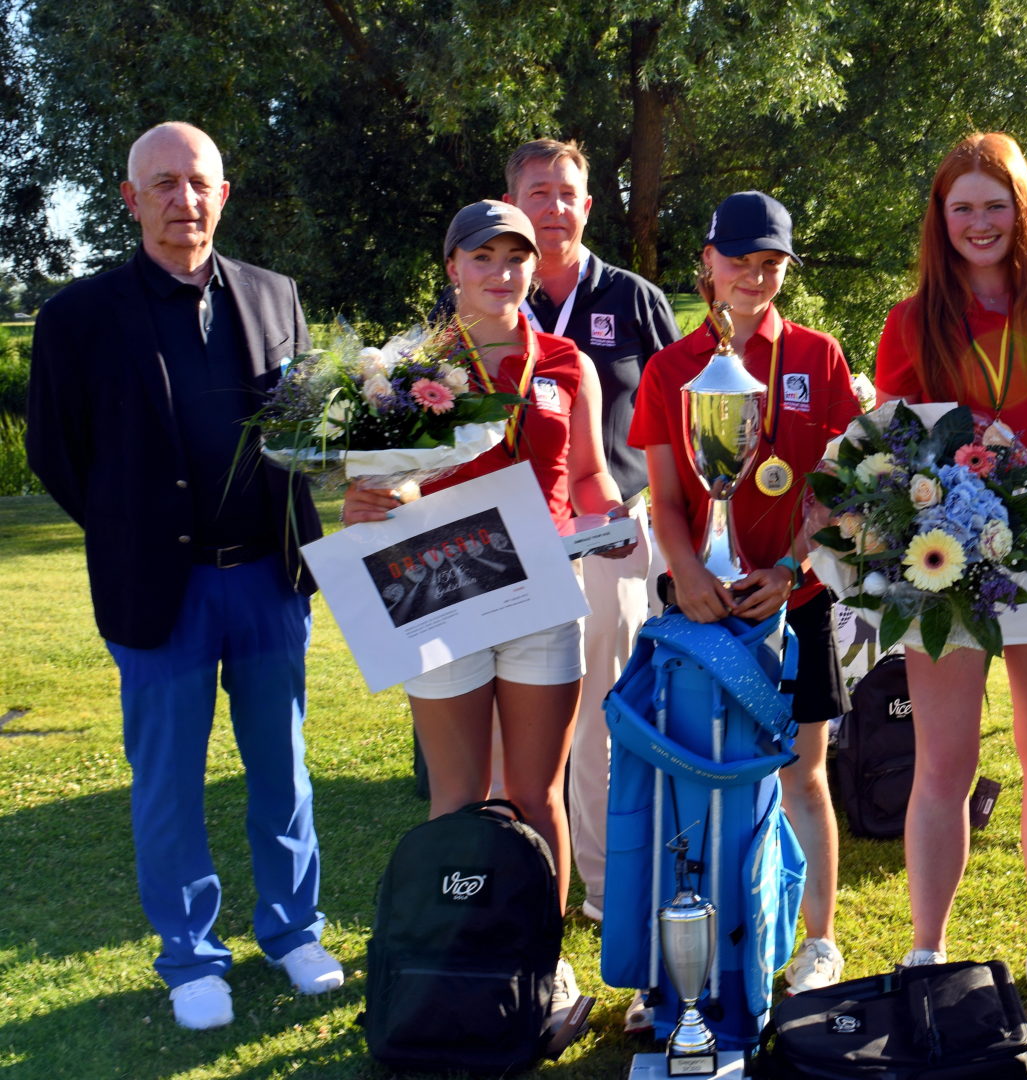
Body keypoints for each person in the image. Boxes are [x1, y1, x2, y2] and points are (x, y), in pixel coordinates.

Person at [26, 121, 343, 1030]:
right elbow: (57, 450)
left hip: (267, 582)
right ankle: (191, 956)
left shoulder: (276, 296)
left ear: (223, 193)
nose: (182, 199)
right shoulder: (77, 316)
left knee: (282, 768)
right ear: (131, 199)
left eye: (197, 181)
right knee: (167, 779)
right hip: (160, 590)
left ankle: (293, 932)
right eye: (161, 183)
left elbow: (311, 425)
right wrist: (134, 529)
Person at [345, 199, 633, 1018]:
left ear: (534, 266)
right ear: (453, 270)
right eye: (483, 258)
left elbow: (585, 478)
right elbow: (374, 480)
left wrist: (609, 517)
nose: (501, 273)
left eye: (516, 257)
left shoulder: (567, 360)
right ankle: (456, 960)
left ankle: (540, 960)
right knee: (458, 795)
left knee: (540, 794)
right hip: (441, 592)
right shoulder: (406, 368)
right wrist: (362, 503)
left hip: (541, 593)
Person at [872, 132, 1027, 1024]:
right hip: (943, 551)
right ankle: (928, 949)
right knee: (943, 764)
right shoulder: (910, 319)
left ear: (1022, 213)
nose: (978, 223)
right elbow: (891, 439)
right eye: (961, 207)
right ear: (941, 218)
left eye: (994, 206)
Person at [631, 191, 862, 1000]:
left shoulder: (818, 356)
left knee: (802, 775)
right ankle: (688, 963)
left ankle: (820, 942)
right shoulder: (670, 367)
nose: (755, 278)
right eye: (740, 261)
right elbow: (663, 495)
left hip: (793, 602)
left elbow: (838, 485)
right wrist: (689, 571)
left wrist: (795, 569)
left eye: (771, 264)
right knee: (692, 778)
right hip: (697, 611)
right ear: (707, 262)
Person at [499, 138, 680, 924]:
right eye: (538, 193)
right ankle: (516, 881)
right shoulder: (488, 297)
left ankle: (605, 890)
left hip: (611, 531)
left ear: (588, 204)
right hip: (509, 539)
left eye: (567, 193)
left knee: (608, 711)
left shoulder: (633, 298)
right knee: (516, 724)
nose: (554, 208)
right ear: (513, 202)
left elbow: (677, 415)